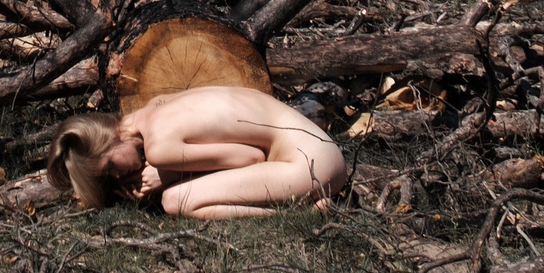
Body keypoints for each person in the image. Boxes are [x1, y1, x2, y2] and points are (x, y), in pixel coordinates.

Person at [43, 85, 345, 218]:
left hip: (310, 165)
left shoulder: (159, 148)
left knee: (176, 201)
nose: (118, 175)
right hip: (318, 149)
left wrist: (167, 175)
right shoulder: (156, 107)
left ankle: (302, 212)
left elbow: (249, 158)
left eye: (109, 165)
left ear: (110, 136)